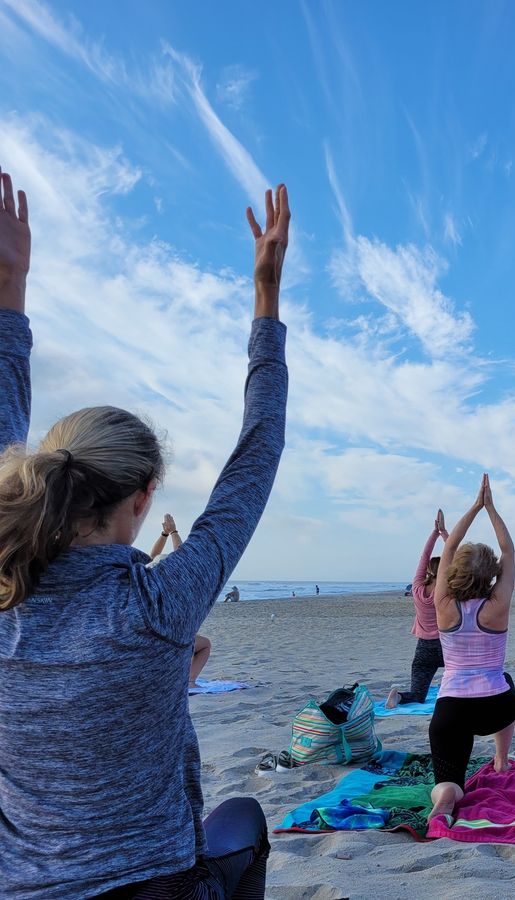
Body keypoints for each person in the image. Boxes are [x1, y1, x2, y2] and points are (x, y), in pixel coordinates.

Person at [0, 167, 291, 898]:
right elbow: (256, 454)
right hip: (156, 887)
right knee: (245, 820)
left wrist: (10, 291)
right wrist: (266, 297)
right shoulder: (158, 606)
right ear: (143, 498)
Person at [428, 474, 515, 823]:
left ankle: (447, 797)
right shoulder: (498, 605)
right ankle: (501, 758)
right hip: (496, 707)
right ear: (492, 574)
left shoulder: (444, 603)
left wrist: (474, 506)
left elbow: (449, 549)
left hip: (451, 712)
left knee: (448, 781)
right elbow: (509, 550)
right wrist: (490, 508)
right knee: (506, 678)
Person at [386, 509, 449, 707]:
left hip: (424, 648)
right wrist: (444, 533)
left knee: (418, 694)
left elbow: (424, 556)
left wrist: (434, 533)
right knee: (465, 680)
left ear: (429, 570)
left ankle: (399, 697)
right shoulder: (446, 589)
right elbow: (455, 555)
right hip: (448, 646)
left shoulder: (417, 587)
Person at [147, 513, 211, 687]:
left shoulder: (146, 583)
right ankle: (189, 680)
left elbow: (152, 556)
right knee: (204, 645)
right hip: (170, 641)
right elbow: (181, 554)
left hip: (144, 641)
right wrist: (173, 531)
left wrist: (164, 534)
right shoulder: (174, 587)